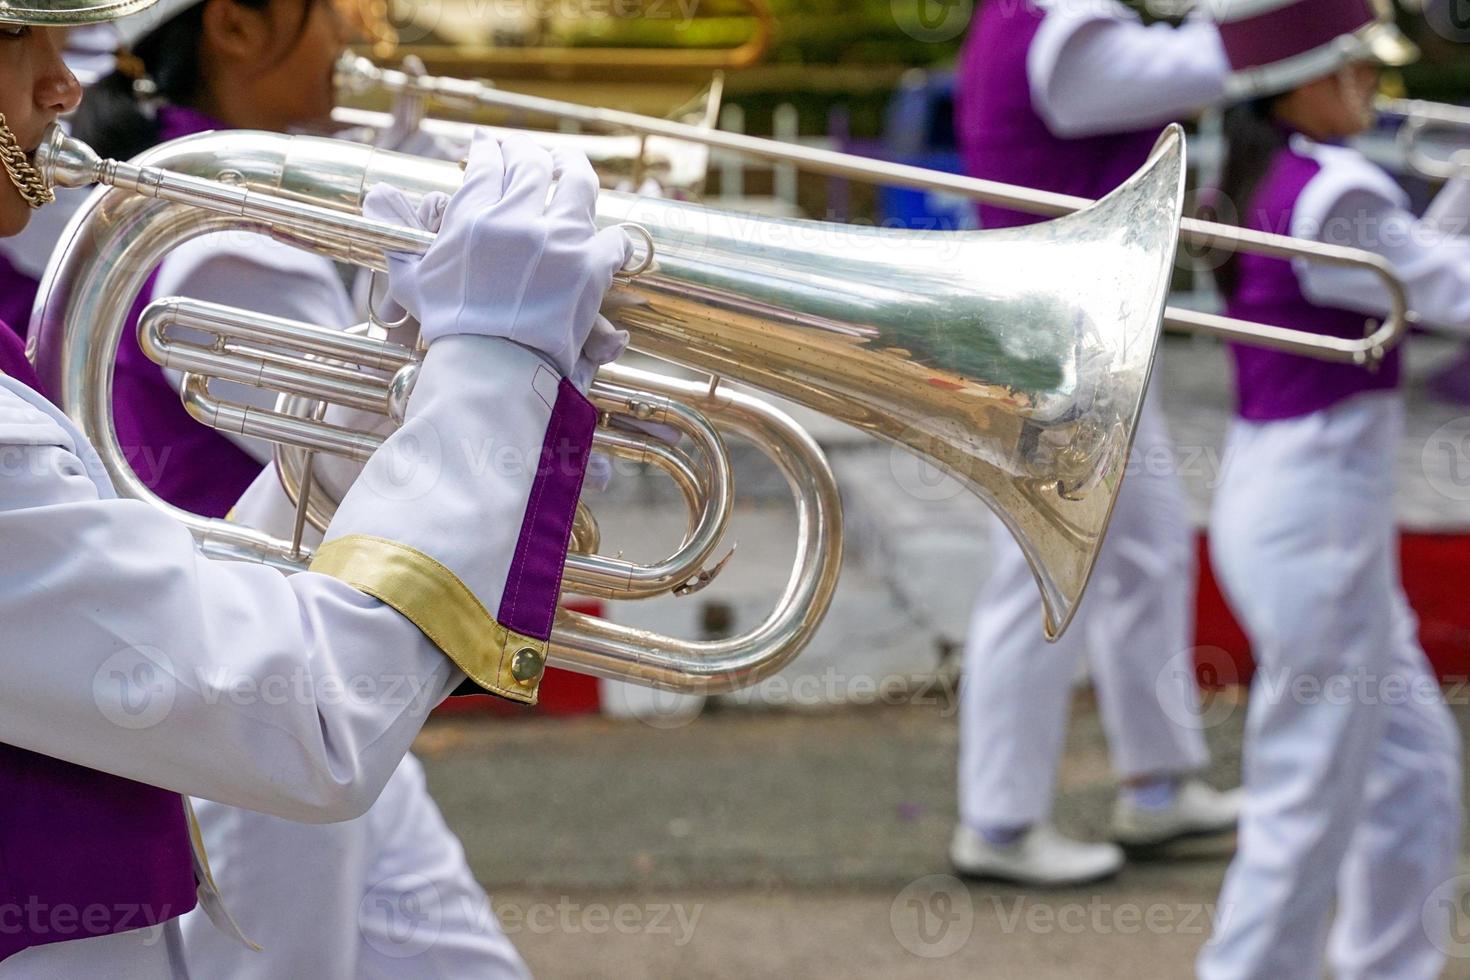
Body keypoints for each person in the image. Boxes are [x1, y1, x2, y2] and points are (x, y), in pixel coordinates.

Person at [0, 5, 632, 975]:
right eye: (23, 41)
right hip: (212, 761)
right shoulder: (224, 234)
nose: (65, 83)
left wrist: (415, 385)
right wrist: (496, 366)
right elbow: (313, 720)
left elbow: (163, 567)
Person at [1198, 0, 1466, 975]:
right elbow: (1450, 291)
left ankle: (1388, 962)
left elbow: (1415, 271)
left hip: (1303, 508)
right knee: (1305, 792)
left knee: (1413, 770)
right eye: (1359, 71)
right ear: (1303, 81)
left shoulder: (1287, 175)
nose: (1376, 89)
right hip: (1315, 522)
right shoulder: (1339, 195)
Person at [949, 0, 1241, 885]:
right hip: (1058, 337)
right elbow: (1210, 63)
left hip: (1088, 329)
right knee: (1041, 573)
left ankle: (1158, 788)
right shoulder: (1068, 27)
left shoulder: (1042, 16)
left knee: (1145, 553)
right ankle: (997, 826)